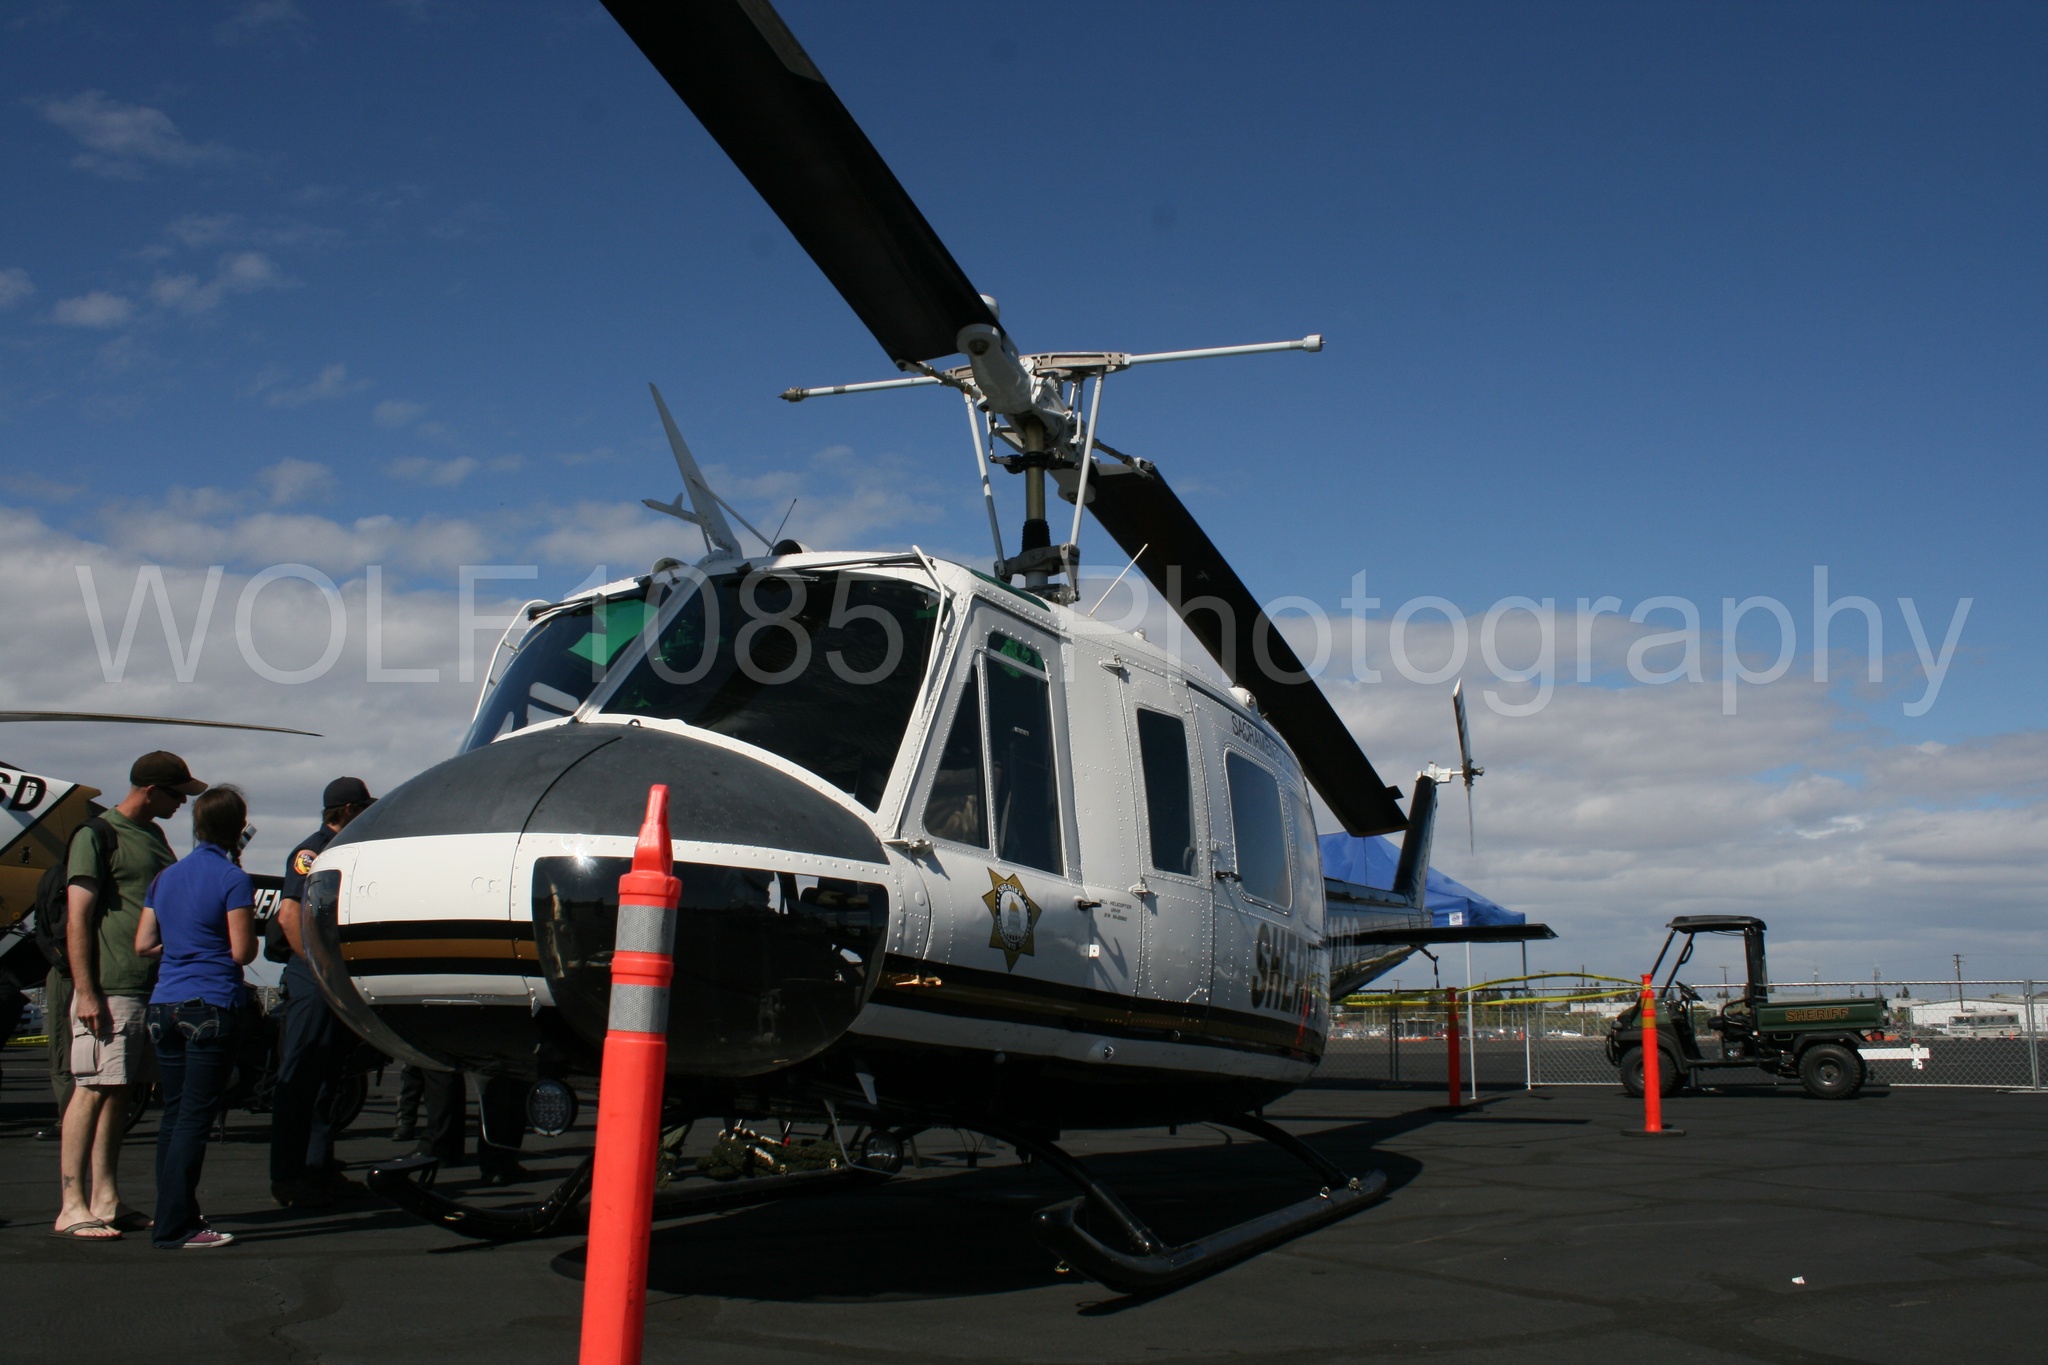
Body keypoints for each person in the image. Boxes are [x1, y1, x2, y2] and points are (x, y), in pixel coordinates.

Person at [52, 750, 196, 1241]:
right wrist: (87, 991)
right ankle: (72, 1203)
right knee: (92, 1087)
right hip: (111, 985)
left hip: (148, 984)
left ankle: (105, 1198)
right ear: (150, 790)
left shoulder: (154, 836)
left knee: (121, 1089)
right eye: (176, 794)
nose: (182, 803)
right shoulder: (97, 835)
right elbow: (78, 918)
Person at [134, 785, 258, 1249]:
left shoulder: (165, 878)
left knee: (174, 1113)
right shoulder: (231, 878)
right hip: (210, 1002)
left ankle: (174, 1211)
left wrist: (182, 946)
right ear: (237, 827)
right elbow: (242, 951)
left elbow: (143, 944)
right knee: (195, 1117)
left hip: (164, 1003)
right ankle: (176, 1226)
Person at [268, 776, 374, 1208]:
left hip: (335, 976)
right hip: (315, 976)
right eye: (362, 808)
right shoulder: (311, 853)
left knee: (331, 1076)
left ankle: (317, 1165)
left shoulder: (346, 849)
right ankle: (289, 1174)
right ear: (347, 811)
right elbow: (289, 915)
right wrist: (318, 966)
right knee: (301, 1076)